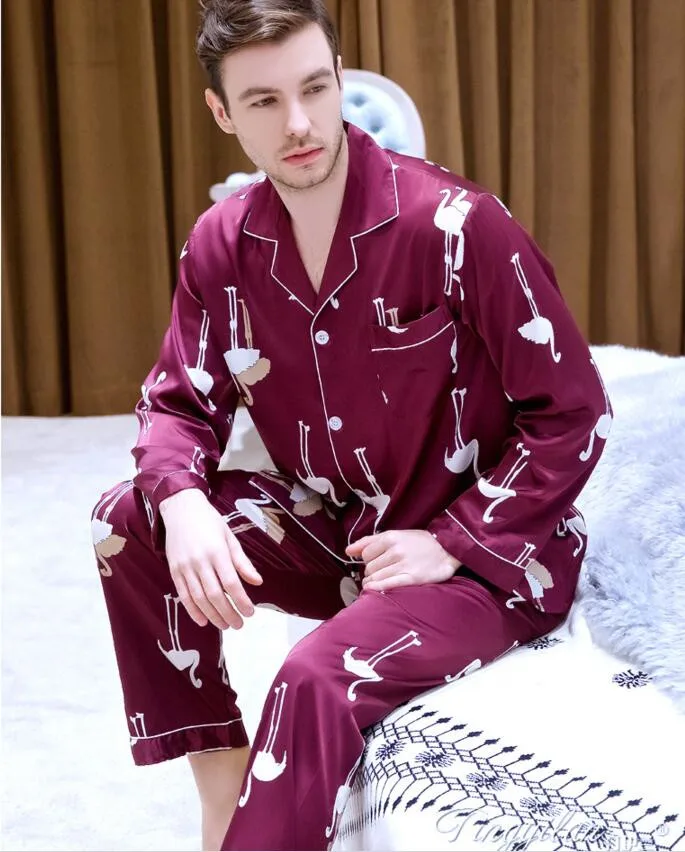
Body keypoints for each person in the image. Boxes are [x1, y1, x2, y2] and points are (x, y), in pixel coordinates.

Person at [91, 0, 613, 849]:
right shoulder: (221, 245)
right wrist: (181, 503)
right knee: (128, 520)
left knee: (312, 679)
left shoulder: (455, 225)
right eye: (263, 101)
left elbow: (574, 409)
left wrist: (454, 539)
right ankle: (222, 797)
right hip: (344, 534)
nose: (297, 123)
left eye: (313, 88)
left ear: (339, 81)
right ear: (222, 114)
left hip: (484, 563)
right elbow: (178, 403)